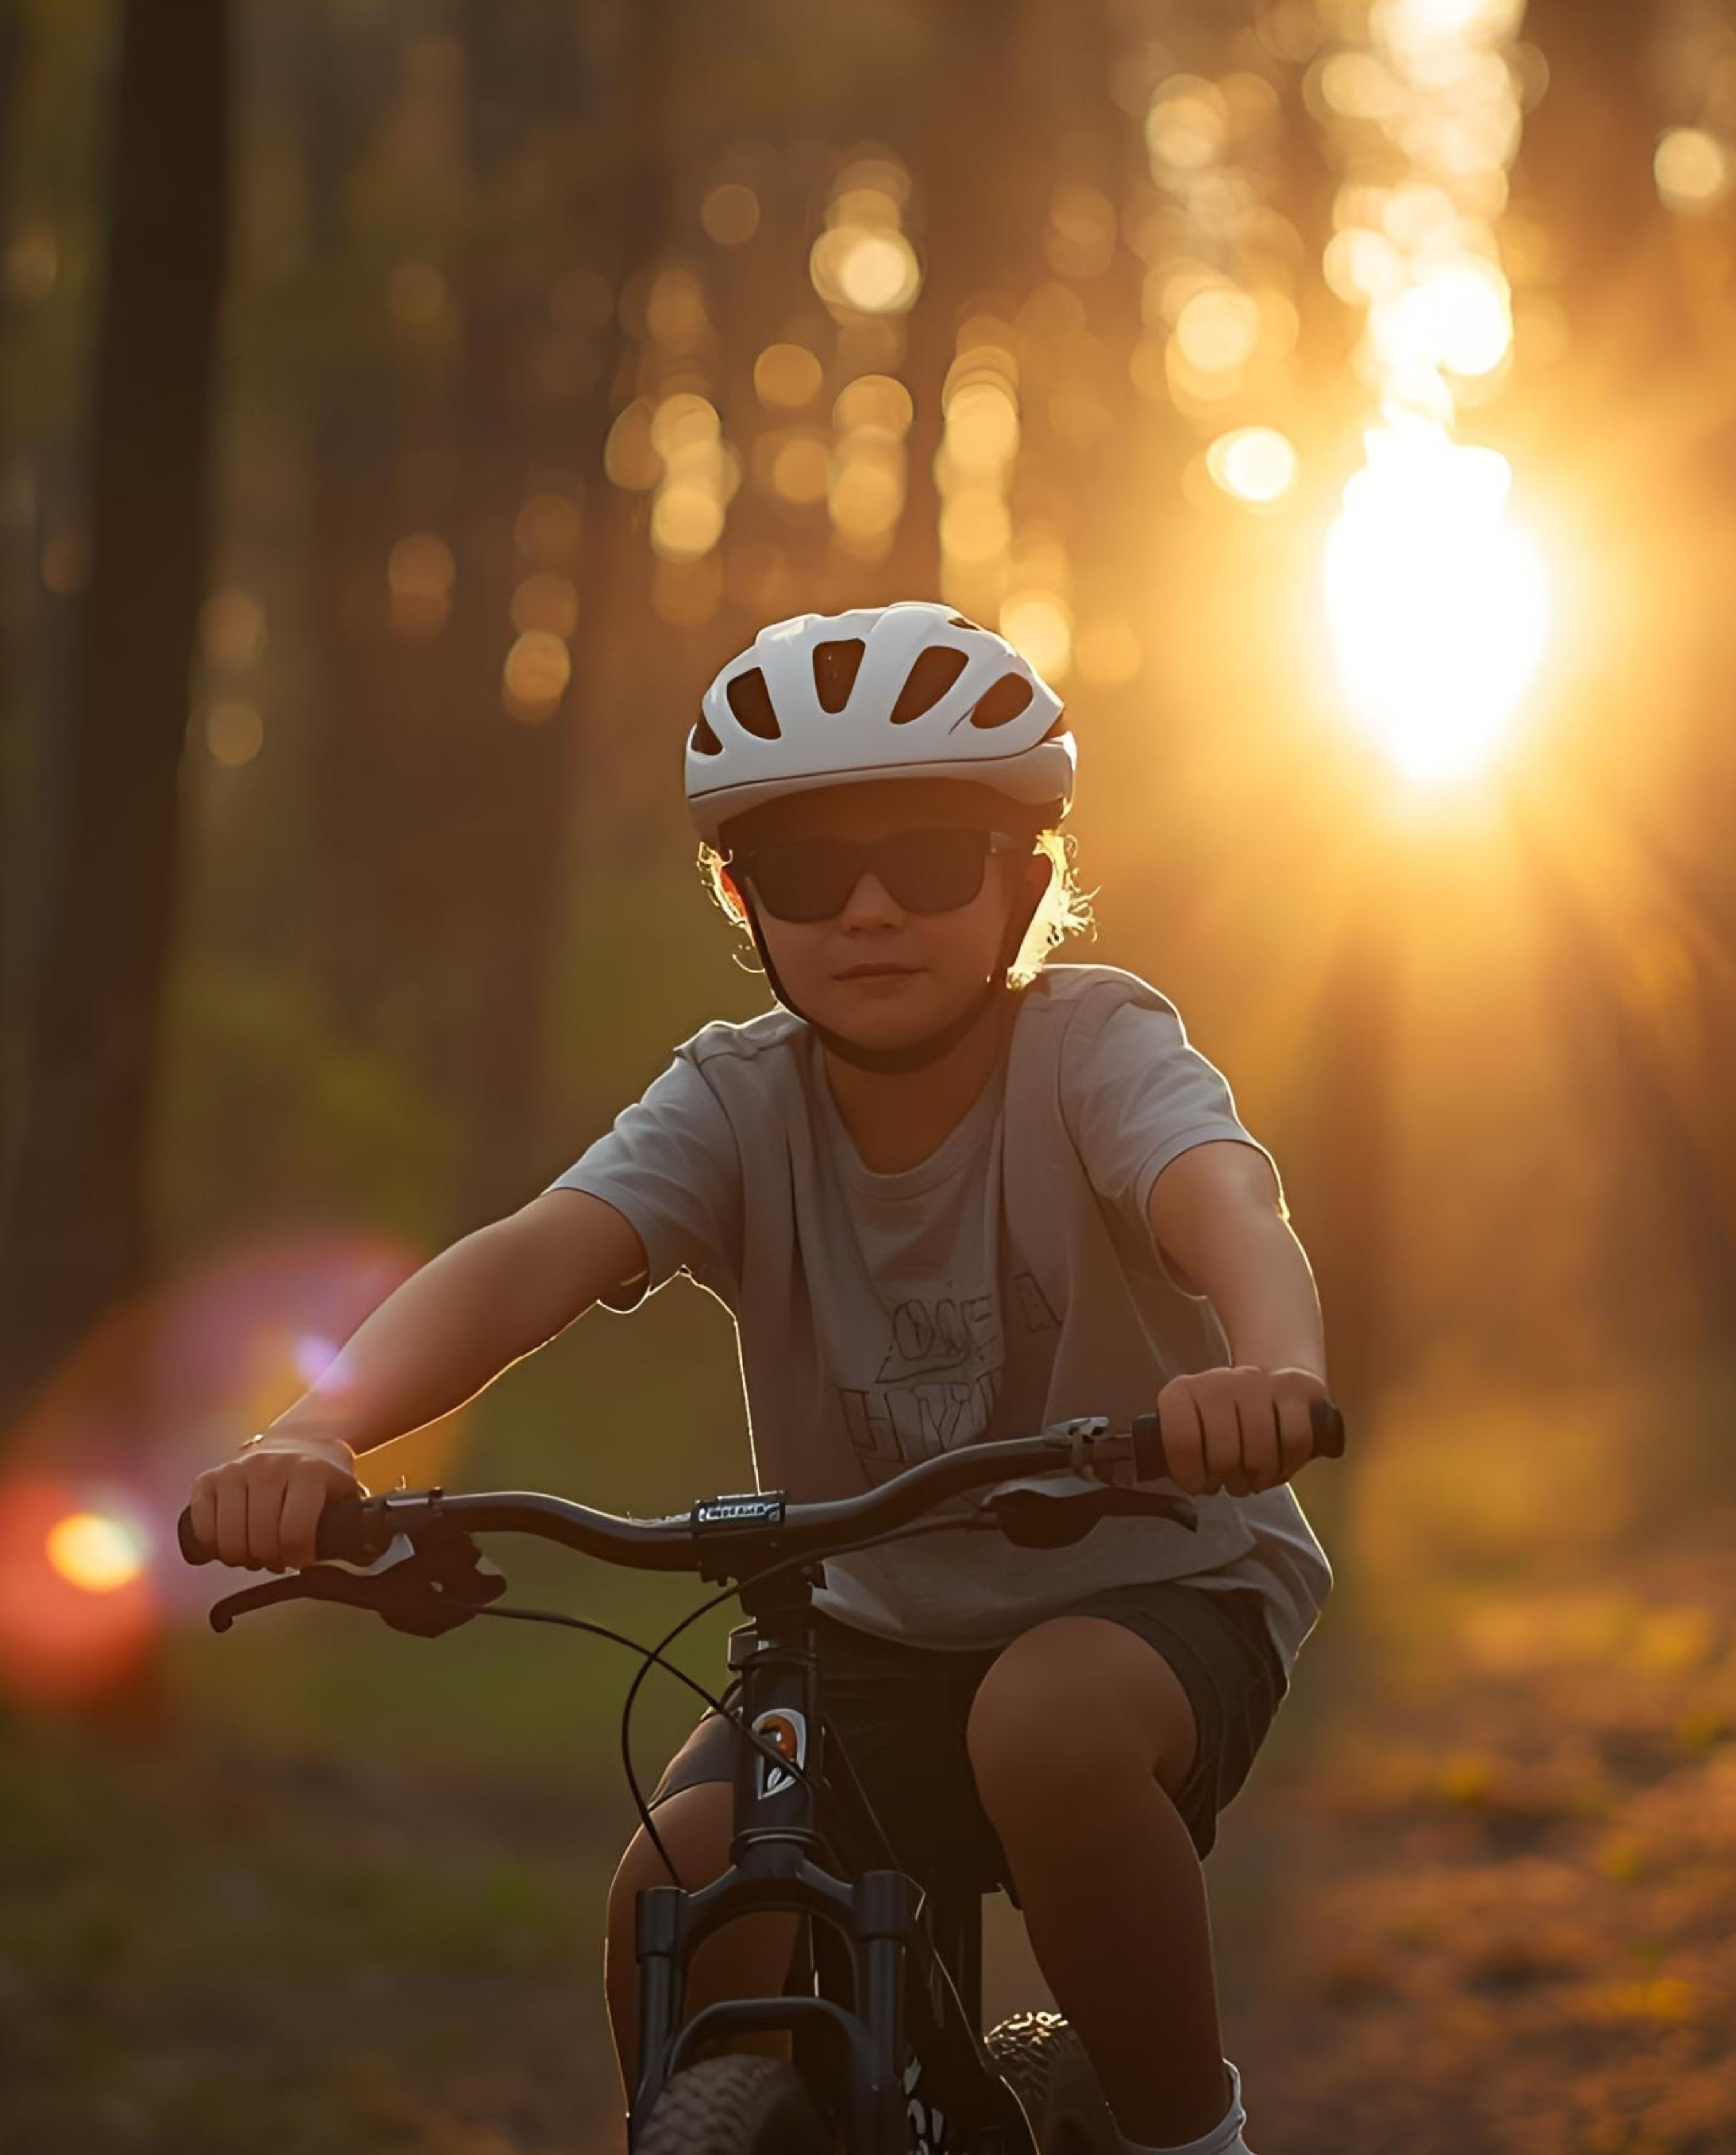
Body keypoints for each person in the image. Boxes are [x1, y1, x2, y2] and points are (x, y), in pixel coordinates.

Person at [185, 600, 1333, 2155]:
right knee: (681, 1877)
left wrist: (1270, 1367)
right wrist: (316, 1428)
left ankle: (1194, 2143)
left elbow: (1225, 1196)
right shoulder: (736, 1099)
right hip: (863, 1626)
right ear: (741, 896)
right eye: (805, 871)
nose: (869, 909)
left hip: (1154, 1584)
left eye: (929, 860)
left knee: (1045, 1727)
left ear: (1026, 877)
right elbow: (532, 1256)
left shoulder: (1094, 1048)